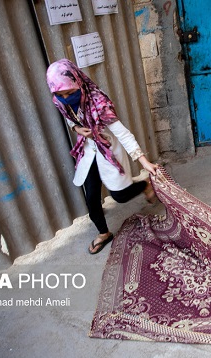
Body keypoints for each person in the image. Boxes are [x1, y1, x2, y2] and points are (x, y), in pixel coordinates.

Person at [46, 59, 159, 254]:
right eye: (61, 94)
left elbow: (123, 134)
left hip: (108, 149)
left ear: (78, 82)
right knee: (91, 197)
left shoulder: (99, 103)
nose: (65, 98)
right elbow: (68, 116)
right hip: (90, 150)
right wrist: (77, 128)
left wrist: (144, 161)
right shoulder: (59, 100)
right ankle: (103, 233)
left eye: (70, 93)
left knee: (120, 196)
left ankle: (144, 185)